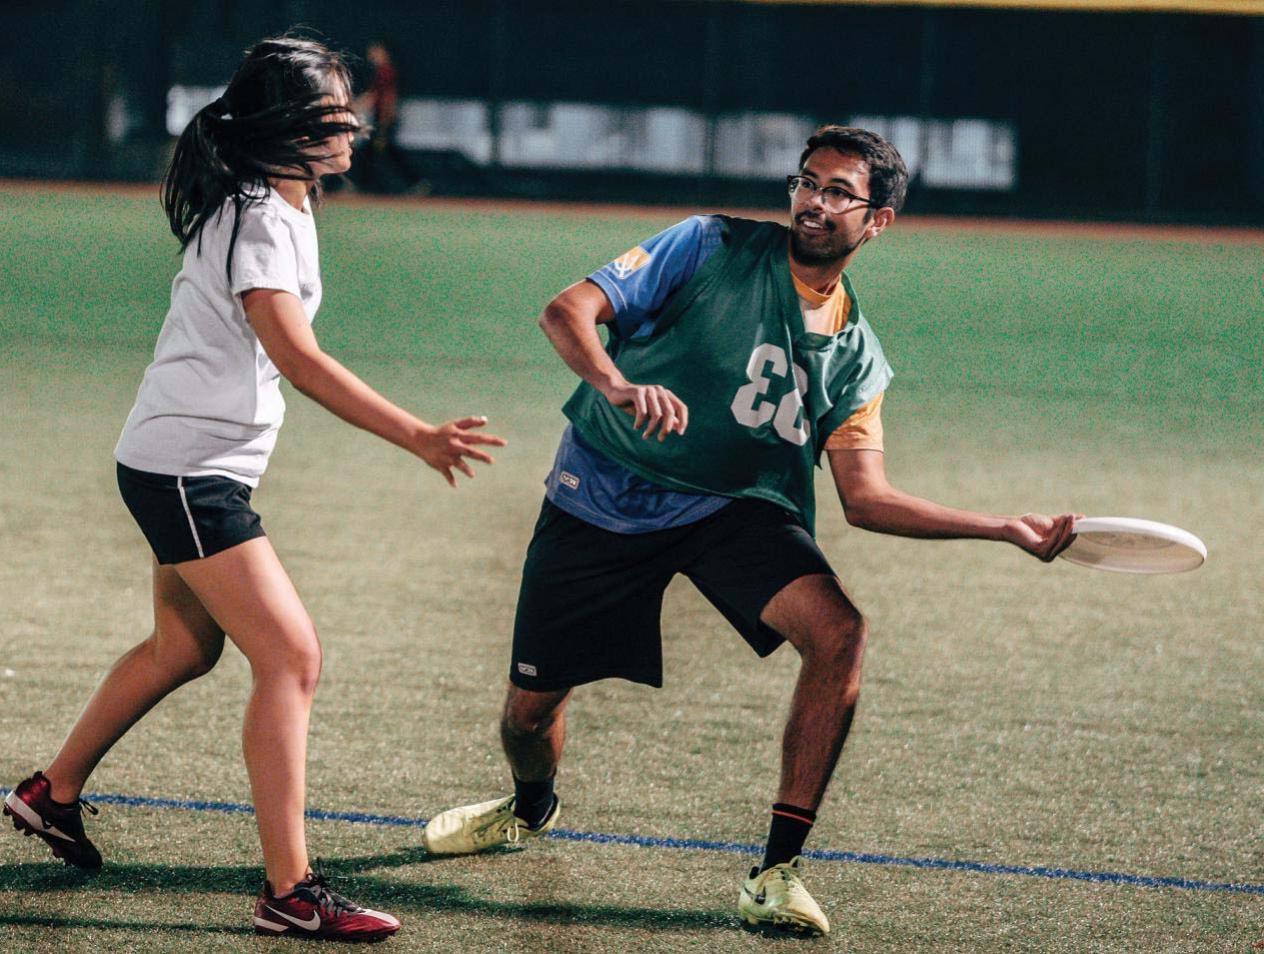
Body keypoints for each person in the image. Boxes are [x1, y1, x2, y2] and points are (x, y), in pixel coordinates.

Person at [420, 125, 1078, 937]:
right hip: (603, 494)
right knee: (527, 715)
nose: (816, 201)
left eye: (841, 192)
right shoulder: (708, 245)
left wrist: (1002, 528)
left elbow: (865, 499)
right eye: (808, 182)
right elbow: (568, 312)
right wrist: (618, 384)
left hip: (729, 509)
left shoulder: (856, 355)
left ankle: (775, 871)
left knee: (839, 632)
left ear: (877, 223)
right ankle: (530, 805)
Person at [3, 35, 503, 942]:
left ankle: (50, 792)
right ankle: (290, 889)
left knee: (182, 649)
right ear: (286, 129)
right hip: (188, 471)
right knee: (293, 658)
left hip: (182, 462)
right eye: (332, 112)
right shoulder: (262, 217)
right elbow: (298, 362)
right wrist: (418, 436)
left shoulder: (283, 200)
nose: (352, 123)